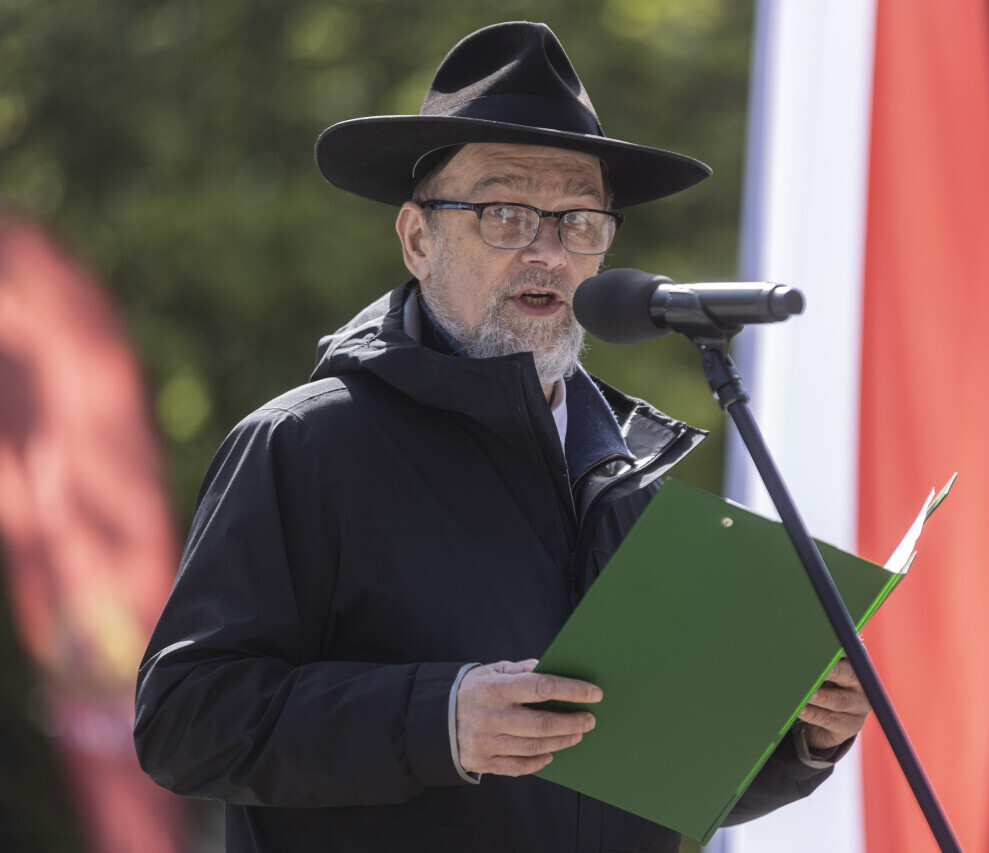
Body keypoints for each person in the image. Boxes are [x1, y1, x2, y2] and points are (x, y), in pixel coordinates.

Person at [134, 21, 869, 852]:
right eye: (506, 212)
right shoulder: (304, 446)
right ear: (418, 239)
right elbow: (183, 719)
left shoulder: (628, 474)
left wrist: (804, 737)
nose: (548, 252)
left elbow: (653, 768)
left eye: (579, 219)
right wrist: (438, 718)